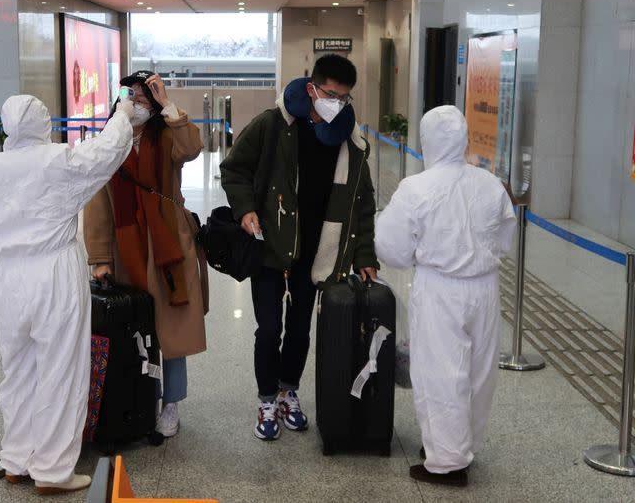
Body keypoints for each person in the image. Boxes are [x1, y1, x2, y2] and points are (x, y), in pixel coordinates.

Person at [0, 94, 135, 495]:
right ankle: (53, 470)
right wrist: (124, 114)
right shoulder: (57, 160)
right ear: (44, 123)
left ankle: (16, 459)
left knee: (18, 369)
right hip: (54, 270)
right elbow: (106, 153)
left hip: (8, 276)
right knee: (61, 369)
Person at [220, 54, 380, 441]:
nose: (336, 103)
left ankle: (288, 391)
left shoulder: (350, 140)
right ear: (312, 88)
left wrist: (364, 256)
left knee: (299, 331)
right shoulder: (274, 124)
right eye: (330, 94)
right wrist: (245, 210)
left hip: (316, 254)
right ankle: (265, 400)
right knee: (268, 329)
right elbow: (234, 169)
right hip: (271, 247)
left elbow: (362, 202)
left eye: (344, 98)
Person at [374, 105, 516, 487]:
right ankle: (459, 446)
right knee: (478, 374)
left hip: (440, 289)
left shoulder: (416, 188)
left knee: (440, 373)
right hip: (485, 288)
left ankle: (446, 462)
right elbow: (506, 236)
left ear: (428, 141)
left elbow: (391, 247)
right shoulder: (489, 183)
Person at [83, 71, 208, 438]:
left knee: (171, 331)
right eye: (130, 95)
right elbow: (97, 205)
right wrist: (100, 258)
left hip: (168, 245)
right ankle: (140, 398)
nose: (136, 102)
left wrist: (168, 103)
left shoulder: (166, 135)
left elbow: (193, 148)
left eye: (144, 97)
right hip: (127, 249)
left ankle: (171, 402)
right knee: (135, 329)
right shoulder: (109, 143)